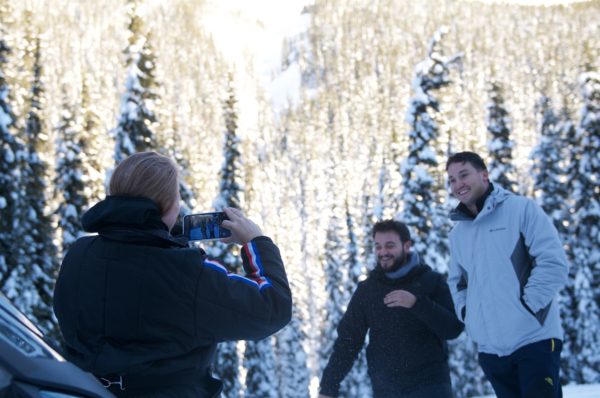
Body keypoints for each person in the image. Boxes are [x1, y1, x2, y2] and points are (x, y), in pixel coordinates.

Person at [53, 151, 292, 397]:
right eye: (176, 196)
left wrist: (164, 236)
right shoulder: (190, 275)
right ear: (167, 205)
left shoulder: (78, 255)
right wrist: (255, 242)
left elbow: (131, 265)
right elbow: (273, 307)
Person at [446, 151, 569, 398]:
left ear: (484, 175)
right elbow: (457, 282)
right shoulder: (458, 234)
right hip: (492, 350)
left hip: (534, 339)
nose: (458, 184)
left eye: (463, 175)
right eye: (451, 180)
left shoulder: (521, 210)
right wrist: (469, 315)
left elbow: (553, 262)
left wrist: (527, 307)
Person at [318, 220, 464, 398]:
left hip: (430, 387)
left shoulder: (431, 281)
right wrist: (328, 387)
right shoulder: (368, 290)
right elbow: (348, 341)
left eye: (390, 246)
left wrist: (417, 304)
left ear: (407, 245)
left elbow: (453, 328)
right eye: (378, 246)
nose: (383, 252)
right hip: (387, 390)